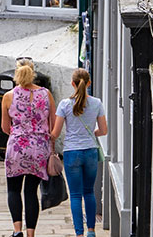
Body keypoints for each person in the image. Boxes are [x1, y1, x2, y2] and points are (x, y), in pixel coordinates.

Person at [50, 69, 107, 237]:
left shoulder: (64, 105)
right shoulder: (97, 103)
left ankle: (79, 234)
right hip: (90, 152)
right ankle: (91, 231)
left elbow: (55, 133)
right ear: (88, 83)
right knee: (89, 192)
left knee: (75, 195)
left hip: (71, 153)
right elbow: (103, 130)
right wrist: (90, 134)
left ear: (72, 84)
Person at [1, 61, 55, 237]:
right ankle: (31, 233)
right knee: (31, 191)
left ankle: (17, 231)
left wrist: (19, 132)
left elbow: (4, 126)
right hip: (39, 148)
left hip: (17, 147)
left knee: (13, 190)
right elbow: (53, 124)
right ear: (33, 73)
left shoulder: (9, 96)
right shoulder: (46, 94)